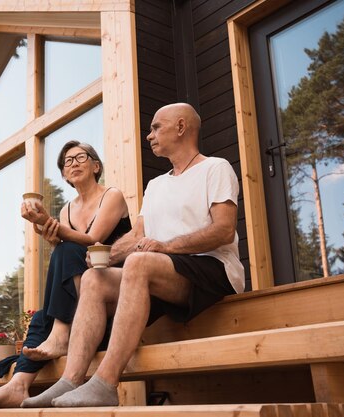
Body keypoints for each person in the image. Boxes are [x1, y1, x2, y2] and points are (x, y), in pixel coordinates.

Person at [21, 102, 245, 408]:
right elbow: (136, 236)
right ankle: (69, 381)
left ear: (181, 127)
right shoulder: (156, 184)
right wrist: (103, 256)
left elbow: (224, 231)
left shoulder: (215, 168)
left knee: (139, 262)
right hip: (164, 269)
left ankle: (104, 382)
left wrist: (165, 246)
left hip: (211, 269)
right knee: (94, 278)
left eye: (156, 127)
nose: (149, 135)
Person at [0, 140, 131, 408]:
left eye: (80, 157)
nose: (73, 164)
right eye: (67, 162)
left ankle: (60, 334)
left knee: (66, 249)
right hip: (80, 299)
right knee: (41, 316)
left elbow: (93, 239)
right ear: (64, 175)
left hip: (109, 290)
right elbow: (65, 250)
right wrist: (48, 232)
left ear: (96, 165)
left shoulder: (111, 195)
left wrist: (49, 224)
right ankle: (17, 385)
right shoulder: (66, 210)